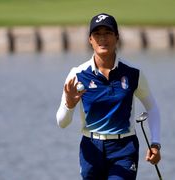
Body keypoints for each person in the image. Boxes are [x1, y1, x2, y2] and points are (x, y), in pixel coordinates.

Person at [56, 13, 162, 180]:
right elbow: (62, 122)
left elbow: (152, 108)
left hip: (124, 148)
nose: (102, 38)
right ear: (90, 39)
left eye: (108, 33)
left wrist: (155, 144)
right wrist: (69, 104)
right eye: (97, 34)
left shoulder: (133, 73)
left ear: (117, 37)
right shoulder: (77, 74)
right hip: (91, 148)